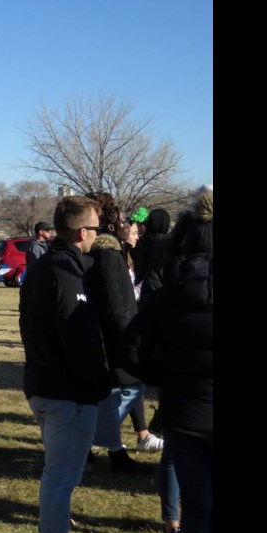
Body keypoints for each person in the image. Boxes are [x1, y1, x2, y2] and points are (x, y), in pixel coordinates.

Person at [19, 195, 110, 533]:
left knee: (62, 476)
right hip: (64, 392)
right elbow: (77, 338)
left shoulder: (47, 266)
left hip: (49, 386)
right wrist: (100, 380)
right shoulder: (63, 272)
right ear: (80, 231)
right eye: (94, 229)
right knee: (60, 478)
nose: (96, 236)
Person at [123, 190, 212, 533]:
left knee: (196, 505)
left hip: (185, 412)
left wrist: (163, 376)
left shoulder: (167, 288)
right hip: (186, 409)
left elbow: (133, 348)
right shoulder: (169, 287)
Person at [85, 193, 154, 474]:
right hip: (114, 337)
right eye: (127, 221)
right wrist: (131, 339)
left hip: (110, 334)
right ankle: (95, 441)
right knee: (127, 388)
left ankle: (113, 450)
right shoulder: (109, 255)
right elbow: (116, 304)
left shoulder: (111, 253)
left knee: (114, 392)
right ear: (113, 225)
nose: (132, 225)